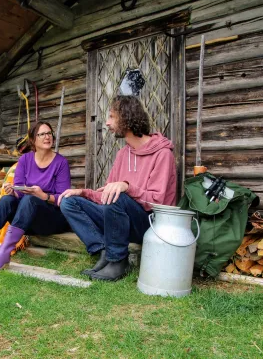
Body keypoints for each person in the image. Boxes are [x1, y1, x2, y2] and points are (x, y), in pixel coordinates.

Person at [58, 95, 177, 281]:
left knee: (118, 196)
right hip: (120, 219)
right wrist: (82, 192)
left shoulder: (162, 154)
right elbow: (108, 192)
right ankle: (104, 251)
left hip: (149, 223)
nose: (107, 123)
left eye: (112, 117)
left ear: (127, 117)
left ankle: (119, 260)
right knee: (69, 202)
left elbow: (158, 201)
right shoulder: (123, 154)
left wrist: (127, 187)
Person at [0, 121, 71, 274]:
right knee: (6, 199)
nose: (47, 137)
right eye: (42, 134)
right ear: (33, 139)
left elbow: (63, 199)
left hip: (52, 220)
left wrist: (43, 195)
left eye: (49, 133)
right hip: (26, 219)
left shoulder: (61, 163)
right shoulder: (25, 160)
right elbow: (19, 190)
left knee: (31, 199)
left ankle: (4, 253)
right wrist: (13, 191)